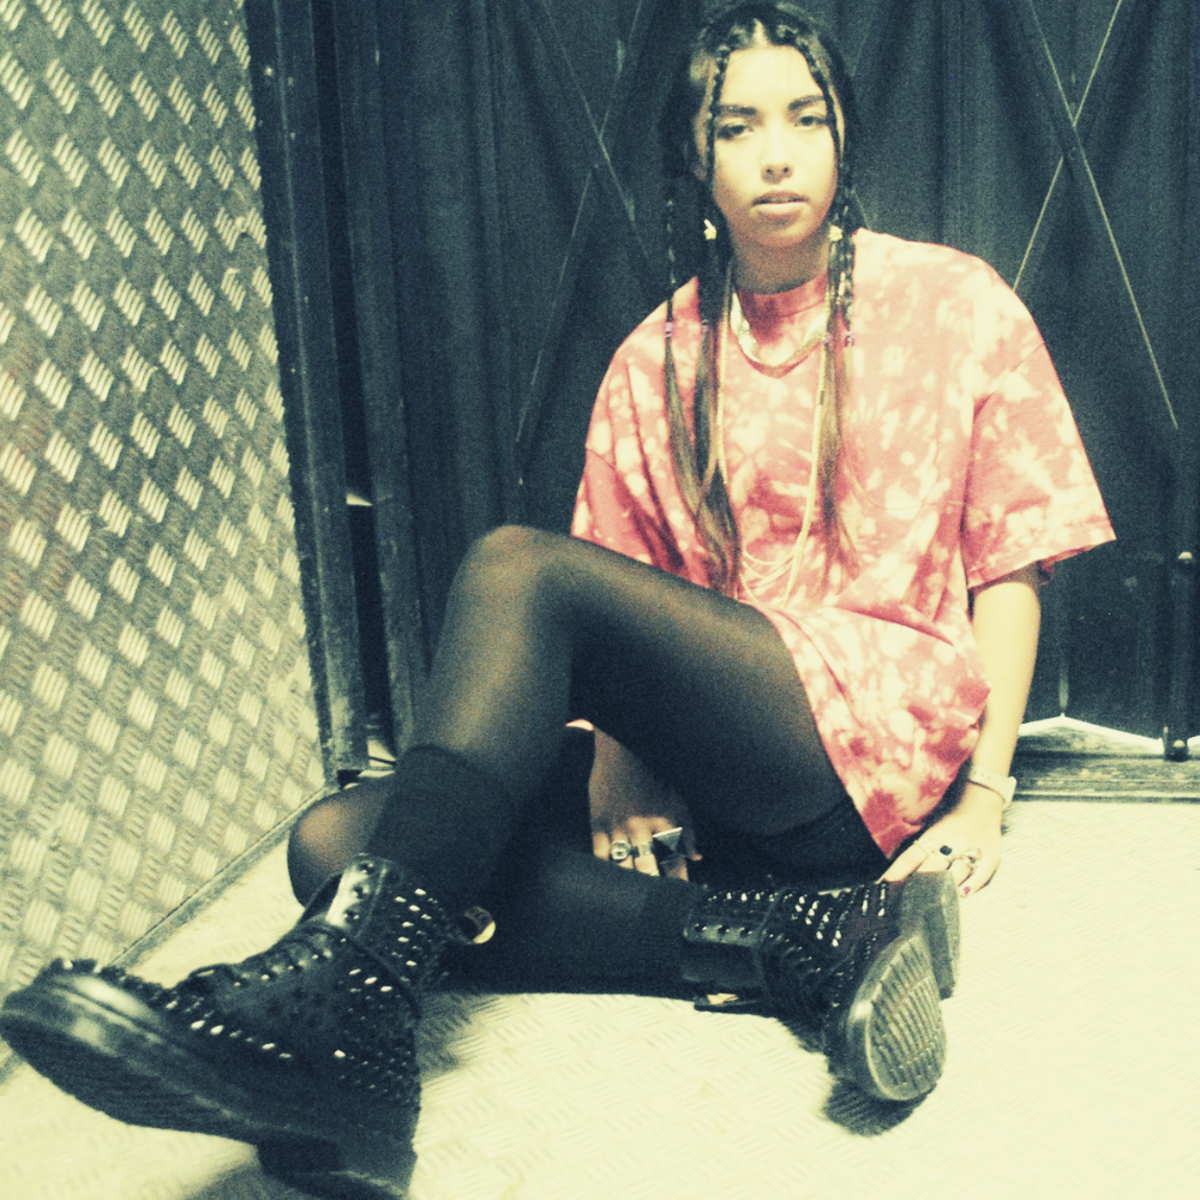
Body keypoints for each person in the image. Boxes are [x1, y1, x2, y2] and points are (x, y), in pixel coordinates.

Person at [0, 5, 1114, 1198]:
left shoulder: (955, 304)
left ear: (846, 137)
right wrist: (626, 772)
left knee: (517, 569)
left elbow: (1011, 562)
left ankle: (351, 1020)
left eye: (807, 118)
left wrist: (986, 792)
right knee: (335, 844)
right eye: (737, 127)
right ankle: (801, 941)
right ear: (694, 157)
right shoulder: (656, 355)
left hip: (870, 747)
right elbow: (627, 602)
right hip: (724, 768)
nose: (777, 155)